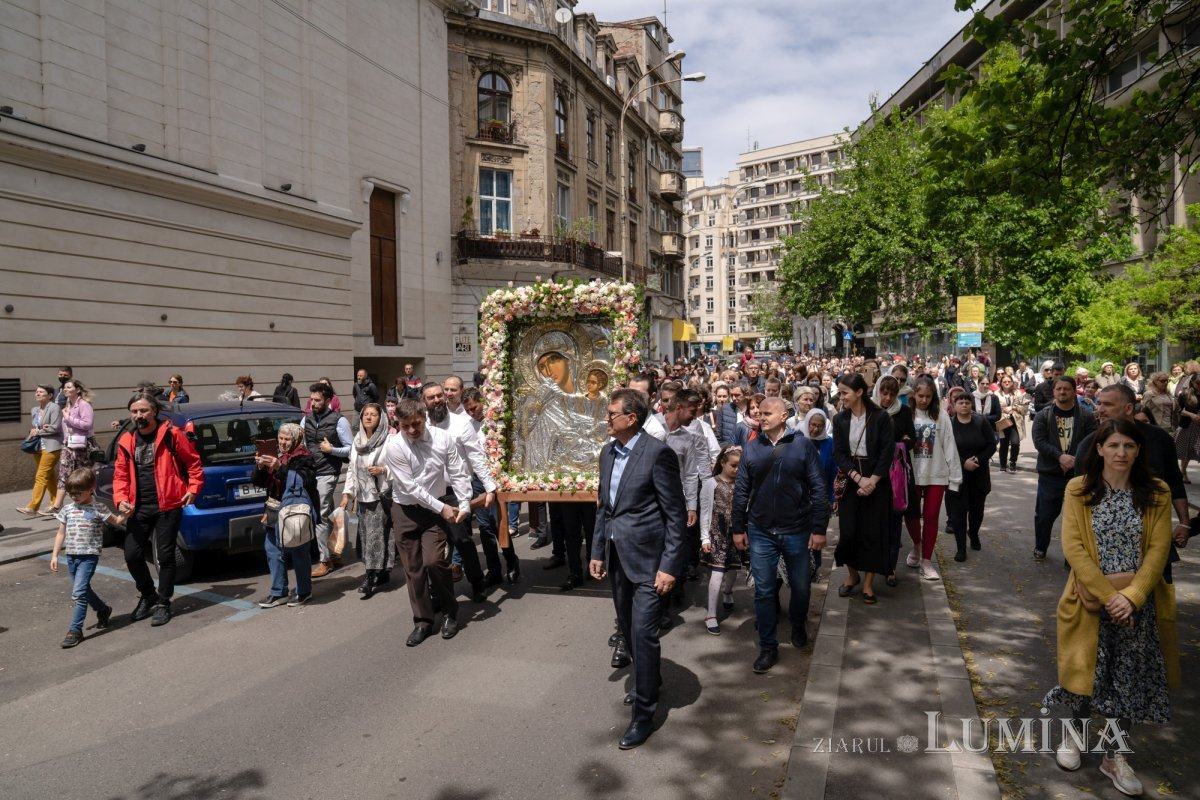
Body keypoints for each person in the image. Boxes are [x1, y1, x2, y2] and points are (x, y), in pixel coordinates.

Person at [1042, 419, 1179, 796]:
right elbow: (1074, 548)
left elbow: (1158, 550)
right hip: (1089, 600)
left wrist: (1131, 597)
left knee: (1129, 680)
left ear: (1139, 451)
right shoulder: (1079, 489)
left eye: (1129, 446)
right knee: (1087, 674)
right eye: (1114, 445)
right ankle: (1074, 737)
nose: (1121, 453)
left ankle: (1114, 754)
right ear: (1099, 449)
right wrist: (1109, 597)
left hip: (1136, 604)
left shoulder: (1156, 491)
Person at [589, 388, 687, 750]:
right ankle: (650, 678)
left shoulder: (657, 454)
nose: (606, 419)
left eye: (611, 414)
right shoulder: (607, 452)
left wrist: (669, 566)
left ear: (631, 418)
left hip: (649, 561)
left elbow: (675, 515)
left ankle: (644, 714)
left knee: (644, 634)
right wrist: (598, 549)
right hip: (617, 557)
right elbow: (604, 507)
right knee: (628, 632)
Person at [732, 397, 830, 672]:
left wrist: (819, 529)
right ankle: (768, 647)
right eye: (759, 413)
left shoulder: (803, 446)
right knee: (763, 592)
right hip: (761, 530)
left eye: (767, 413)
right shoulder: (752, 448)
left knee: (800, 586)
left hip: (797, 530)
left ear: (784, 415)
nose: (761, 417)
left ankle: (798, 624)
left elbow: (819, 489)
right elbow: (741, 491)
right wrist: (738, 528)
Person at [385, 399, 473, 646]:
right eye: (406, 426)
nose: (412, 430)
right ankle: (423, 621)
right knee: (414, 570)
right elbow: (410, 488)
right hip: (406, 510)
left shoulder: (443, 438)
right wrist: (443, 508)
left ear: (424, 417)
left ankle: (449, 613)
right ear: (398, 424)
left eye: (416, 424)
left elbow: (457, 470)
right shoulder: (394, 447)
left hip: (434, 508)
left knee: (435, 562)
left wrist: (464, 502)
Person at [113, 391, 205, 626]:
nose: (138, 415)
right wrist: (120, 498)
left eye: (143, 410)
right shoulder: (127, 441)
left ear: (154, 411)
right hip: (138, 508)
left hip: (168, 505)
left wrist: (194, 488)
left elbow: (193, 462)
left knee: (165, 556)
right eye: (134, 411)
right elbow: (120, 475)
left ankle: (163, 602)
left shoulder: (172, 435)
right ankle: (148, 594)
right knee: (132, 555)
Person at [1075, 384, 1193, 554]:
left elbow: (1175, 483)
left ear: (1128, 408)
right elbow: (1082, 496)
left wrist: (1184, 523)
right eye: (1100, 404)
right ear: (1101, 449)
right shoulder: (1088, 445)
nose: (1100, 409)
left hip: (1153, 538)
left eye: (1107, 405)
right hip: (1105, 543)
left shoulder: (1160, 439)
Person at [422, 382, 491, 602]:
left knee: (461, 540)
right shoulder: (420, 424)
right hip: (429, 494)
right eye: (430, 397)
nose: (436, 400)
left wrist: (489, 487)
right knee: (432, 548)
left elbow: (477, 458)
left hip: (455, 492)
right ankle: (436, 593)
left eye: (439, 396)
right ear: (425, 402)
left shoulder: (462, 424)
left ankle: (477, 582)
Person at [832, 374, 894, 603]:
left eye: (845, 392)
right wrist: (859, 479)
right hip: (851, 478)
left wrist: (873, 481)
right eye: (840, 392)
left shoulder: (881, 417)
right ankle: (852, 575)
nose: (842, 397)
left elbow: (887, 453)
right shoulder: (840, 420)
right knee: (848, 532)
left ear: (859, 392)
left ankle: (868, 584)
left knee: (873, 533)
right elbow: (838, 453)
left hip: (877, 480)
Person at [49, 468, 124, 648]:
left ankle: (75, 630)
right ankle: (103, 609)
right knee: (83, 590)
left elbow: (116, 521)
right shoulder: (67, 509)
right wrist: (54, 555)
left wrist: (128, 512)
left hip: (88, 556)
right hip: (72, 556)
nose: (74, 496)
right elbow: (61, 533)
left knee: (78, 593)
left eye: (78, 493)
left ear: (91, 488)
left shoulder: (98, 507)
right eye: (71, 493)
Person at [253, 422, 319, 607]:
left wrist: (278, 468)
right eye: (280, 438)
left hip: (295, 512)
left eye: (287, 439)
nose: (283, 443)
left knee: (299, 552)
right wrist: (260, 467)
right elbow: (260, 483)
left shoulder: (304, 457)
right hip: (274, 510)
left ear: (296, 439)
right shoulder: (276, 456)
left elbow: (301, 480)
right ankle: (278, 592)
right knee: (273, 550)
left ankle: (304, 591)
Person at [1032, 377, 1098, 560]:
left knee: (1078, 518)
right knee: (1045, 515)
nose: (1062, 392)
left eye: (1067, 389)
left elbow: (1092, 441)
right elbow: (1039, 441)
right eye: (1059, 389)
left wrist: (1074, 460)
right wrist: (1059, 456)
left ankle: (1074, 556)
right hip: (1050, 474)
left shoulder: (1086, 415)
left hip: (1078, 475)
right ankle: (1040, 547)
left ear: (1074, 391)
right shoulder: (1043, 415)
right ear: (1054, 392)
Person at [904, 377, 961, 580]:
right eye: (920, 396)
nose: (924, 400)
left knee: (931, 517)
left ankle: (926, 560)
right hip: (912, 475)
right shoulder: (906, 414)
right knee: (910, 516)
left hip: (936, 474)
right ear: (913, 395)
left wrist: (955, 477)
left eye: (928, 396)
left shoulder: (941, 416)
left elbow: (949, 444)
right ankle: (918, 545)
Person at [340, 403, 393, 599]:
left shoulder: (389, 440)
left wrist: (383, 471)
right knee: (367, 535)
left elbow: (399, 466)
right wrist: (347, 494)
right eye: (366, 414)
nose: (368, 417)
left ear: (381, 418)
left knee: (375, 536)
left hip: (381, 495)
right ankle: (384, 571)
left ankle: (369, 577)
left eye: (373, 415)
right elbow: (351, 471)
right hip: (362, 497)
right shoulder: (357, 442)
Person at [302, 382, 353, 576]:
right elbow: (303, 442)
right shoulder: (306, 420)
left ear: (328, 400)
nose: (313, 403)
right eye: (311, 399)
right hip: (311, 473)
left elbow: (351, 448)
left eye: (317, 400)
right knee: (330, 514)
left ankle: (325, 560)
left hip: (328, 472)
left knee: (321, 515)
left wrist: (332, 450)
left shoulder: (339, 421)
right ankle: (335, 553)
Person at [947, 392, 996, 562]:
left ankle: (973, 534)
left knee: (977, 511)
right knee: (958, 514)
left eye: (967, 402)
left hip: (979, 473)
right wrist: (962, 463)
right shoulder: (950, 424)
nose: (964, 405)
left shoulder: (981, 422)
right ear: (954, 406)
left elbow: (992, 444)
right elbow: (945, 448)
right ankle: (961, 548)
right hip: (957, 475)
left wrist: (978, 459)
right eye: (960, 402)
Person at [876, 376, 915, 586]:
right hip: (874, 474)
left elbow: (913, 438)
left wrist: (899, 446)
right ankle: (875, 564)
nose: (888, 397)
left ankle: (890, 567)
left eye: (892, 393)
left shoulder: (904, 411)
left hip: (895, 474)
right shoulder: (871, 410)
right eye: (884, 392)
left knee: (894, 521)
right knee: (875, 522)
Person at [699, 444, 741, 634]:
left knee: (733, 570)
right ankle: (711, 614)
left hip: (736, 533)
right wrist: (704, 538)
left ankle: (728, 592)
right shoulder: (711, 484)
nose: (737, 469)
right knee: (717, 572)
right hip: (717, 533)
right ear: (723, 463)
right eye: (733, 465)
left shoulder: (741, 483)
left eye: (740, 466)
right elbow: (705, 512)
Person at [51, 378, 96, 517]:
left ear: (77, 390)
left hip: (83, 445)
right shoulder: (67, 404)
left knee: (83, 476)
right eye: (64, 388)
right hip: (69, 444)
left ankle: (90, 505)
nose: (65, 390)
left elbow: (87, 424)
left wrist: (68, 418)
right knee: (64, 474)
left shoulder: (84, 405)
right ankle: (57, 506)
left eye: (69, 387)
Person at [17, 385, 63, 516]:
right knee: (49, 477)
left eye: (41, 392)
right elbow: (37, 427)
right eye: (37, 391)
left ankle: (32, 507)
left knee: (41, 475)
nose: (38, 393)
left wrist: (40, 430)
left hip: (52, 446)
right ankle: (56, 504)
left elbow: (55, 428)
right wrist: (37, 430)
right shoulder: (34, 410)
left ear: (49, 395)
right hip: (38, 446)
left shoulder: (54, 408)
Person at [995, 374, 1030, 473]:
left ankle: (1013, 462)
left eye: (1008, 381)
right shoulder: (996, 394)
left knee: (1015, 443)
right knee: (1004, 444)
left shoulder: (1018, 393)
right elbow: (994, 408)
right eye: (1004, 382)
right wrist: (1003, 410)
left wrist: (1014, 408)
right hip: (1002, 421)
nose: (1006, 383)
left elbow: (1025, 408)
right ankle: (1002, 464)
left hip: (1015, 422)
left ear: (1012, 382)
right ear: (1001, 383)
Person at [1175, 360, 1200, 484]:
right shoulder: (1185, 394)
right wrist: (1191, 414)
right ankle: (1183, 472)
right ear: (1193, 383)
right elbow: (1178, 410)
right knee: (1186, 452)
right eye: (1197, 384)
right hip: (1187, 425)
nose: (1199, 386)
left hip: (1198, 427)